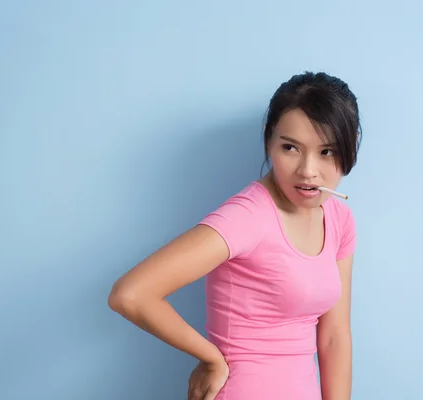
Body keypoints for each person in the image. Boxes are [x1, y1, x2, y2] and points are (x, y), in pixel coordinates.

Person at [108, 71, 362, 400]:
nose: (308, 171)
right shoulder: (247, 217)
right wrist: (212, 358)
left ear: (351, 144)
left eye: (326, 152)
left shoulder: (339, 218)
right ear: (269, 142)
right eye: (290, 148)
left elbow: (334, 336)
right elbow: (130, 294)